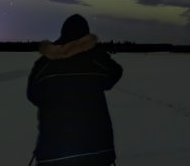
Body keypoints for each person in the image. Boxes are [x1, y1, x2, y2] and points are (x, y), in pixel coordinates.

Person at [27, 14, 123, 165]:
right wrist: (95, 50)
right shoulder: (95, 59)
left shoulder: (44, 65)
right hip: (95, 151)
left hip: (53, 152)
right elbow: (114, 74)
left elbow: (33, 95)